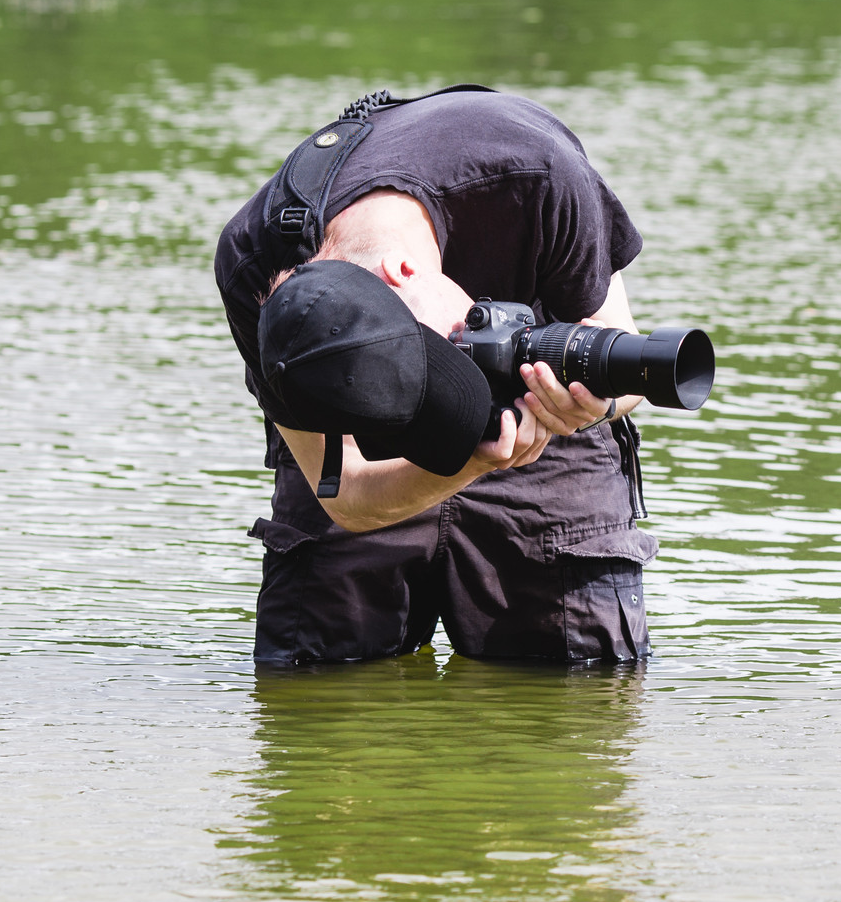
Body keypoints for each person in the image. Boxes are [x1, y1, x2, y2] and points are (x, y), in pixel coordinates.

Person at [214, 86, 656, 667]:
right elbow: (346, 496)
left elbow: (631, 363)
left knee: (576, 703)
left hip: (549, 426)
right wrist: (473, 458)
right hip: (363, 442)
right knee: (320, 699)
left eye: (456, 342)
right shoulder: (258, 265)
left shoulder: (536, 169)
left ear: (404, 271)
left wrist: (589, 407)